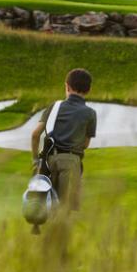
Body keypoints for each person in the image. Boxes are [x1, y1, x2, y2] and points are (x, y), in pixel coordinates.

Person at [30, 68, 97, 212]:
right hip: (72, 162)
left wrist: (35, 160)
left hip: (48, 161)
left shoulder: (54, 107)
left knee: (45, 207)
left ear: (66, 86)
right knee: (65, 211)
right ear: (89, 89)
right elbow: (85, 144)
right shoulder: (90, 114)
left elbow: (35, 135)